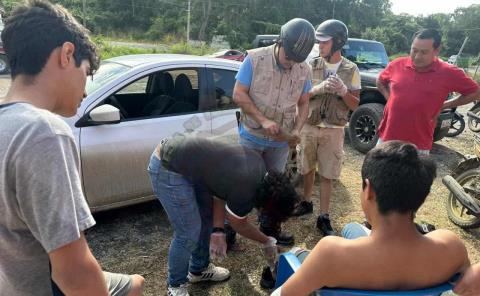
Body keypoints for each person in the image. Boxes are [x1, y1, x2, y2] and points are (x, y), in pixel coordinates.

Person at [0, 1, 144, 296]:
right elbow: (74, 273)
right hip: (42, 287)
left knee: (131, 285)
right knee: (138, 284)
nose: (86, 89)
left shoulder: (7, 123)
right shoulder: (44, 132)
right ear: (67, 54)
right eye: (87, 72)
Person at [272, 141, 470, 296]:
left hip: (354, 259)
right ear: (423, 194)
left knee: (299, 254)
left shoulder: (331, 254)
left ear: (369, 191)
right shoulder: (451, 247)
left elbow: (285, 294)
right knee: (352, 229)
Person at [147, 135, 298, 296]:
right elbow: (239, 224)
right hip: (168, 166)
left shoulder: (259, 168)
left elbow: (220, 191)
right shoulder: (246, 187)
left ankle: (198, 269)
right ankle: (175, 285)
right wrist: (267, 240)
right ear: (270, 205)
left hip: (188, 164)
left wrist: (218, 229)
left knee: (206, 221)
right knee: (188, 232)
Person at [233, 17, 315, 246]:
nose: (290, 64)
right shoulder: (254, 59)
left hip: (280, 142)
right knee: (245, 183)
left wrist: (297, 129)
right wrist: (263, 120)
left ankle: (271, 227)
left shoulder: (303, 68)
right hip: (252, 135)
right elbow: (239, 94)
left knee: (275, 189)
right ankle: (230, 228)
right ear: (280, 42)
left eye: (296, 60)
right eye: (288, 57)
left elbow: (304, 102)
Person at [292, 20, 360, 237]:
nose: (319, 46)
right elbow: (299, 97)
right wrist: (316, 89)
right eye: (318, 41)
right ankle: (306, 202)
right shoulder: (310, 65)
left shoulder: (352, 69)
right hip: (310, 126)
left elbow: (355, 104)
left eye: (324, 42)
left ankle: (324, 215)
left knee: (328, 174)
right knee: (307, 167)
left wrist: (343, 92)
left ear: (338, 42)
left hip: (334, 130)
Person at [376, 28, 480, 154]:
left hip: (418, 145)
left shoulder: (449, 72)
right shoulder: (397, 64)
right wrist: (390, 99)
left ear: (436, 50)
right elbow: (380, 81)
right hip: (386, 139)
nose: (417, 56)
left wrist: (443, 106)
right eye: (414, 50)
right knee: (377, 173)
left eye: (424, 52)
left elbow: (475, 92)